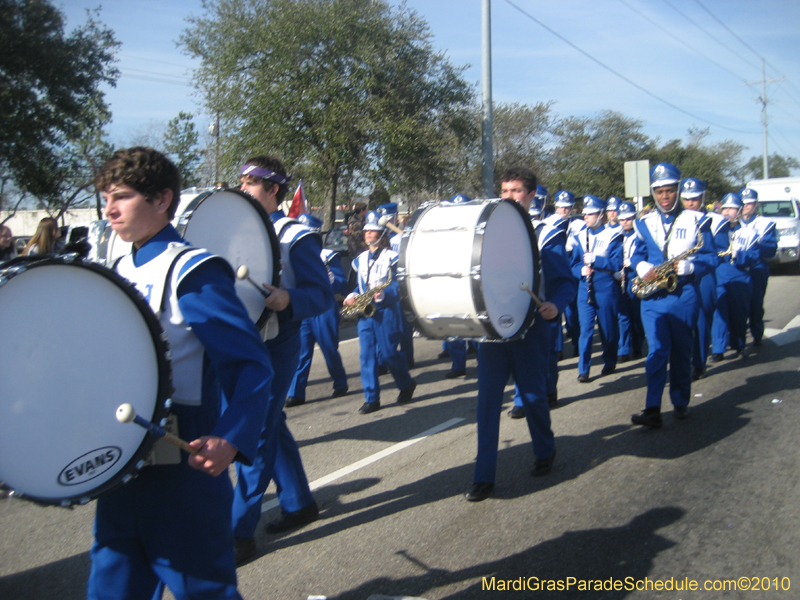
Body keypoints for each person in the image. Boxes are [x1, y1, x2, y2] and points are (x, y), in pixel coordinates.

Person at [90, 147, 274, 600]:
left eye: (122, 196)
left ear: (161, 199)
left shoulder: (191, 270)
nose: (110, 209)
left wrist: (230, 437)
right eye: (106, 198)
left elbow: (249, 364)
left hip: (182, 460)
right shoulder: (116, 270)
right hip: (121, 463)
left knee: (204, 592)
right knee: (111, 588)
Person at [232, 156, 333, 564]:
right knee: (271, 422)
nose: (243, 189)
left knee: (254, 433)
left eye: (252, 183)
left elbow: (322, 294)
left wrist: (290, 298)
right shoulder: (234, 230)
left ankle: (238, 532)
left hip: (277, 341)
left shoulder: (296, 235)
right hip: (241, 342)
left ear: (274, 189)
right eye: (240, 182)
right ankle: (298, 502)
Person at [467, 167, 576, 502]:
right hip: (493, 334)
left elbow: (565, 282)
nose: (509, 197)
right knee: (487, 405)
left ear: (531, 196)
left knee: (533, 396)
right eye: (504, 191)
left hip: (529, 331)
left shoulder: (546, 235)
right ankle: (483, 476)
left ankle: (545, 451)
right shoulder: (484, 234)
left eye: (516, 191)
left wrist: (555, 306)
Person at [629, 163, 716, 429]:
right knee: (656, 352)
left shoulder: (697, 219)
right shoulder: (643, 221)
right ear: (653, 193)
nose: (665, 197)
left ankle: (680, 401)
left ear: (678, 190)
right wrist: (641, 266)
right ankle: (652, 408)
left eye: (669, 191)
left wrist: (693, 267)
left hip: (684, 295)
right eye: (659, 192)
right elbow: (636, 253)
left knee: (681, 351)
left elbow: (712, 257)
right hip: (654, 297)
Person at [344, 211, 417, 414]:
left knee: (389, 353)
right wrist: (351, 296)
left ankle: (406, 384)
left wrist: (385, 292)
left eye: (373, 231)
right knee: (367, 355)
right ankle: (372, 398)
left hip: (386, 310)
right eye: (367, 230)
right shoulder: (359, 260)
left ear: (382, 234)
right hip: (365, 312)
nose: (368, 234)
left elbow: (400, 286)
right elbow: (354, 286)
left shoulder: (392, 258)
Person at [509, 190, 567, 418]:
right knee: (518, 349)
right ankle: (520, 399)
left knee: (549, 352)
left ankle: (550, 388)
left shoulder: (548, 232)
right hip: (518, 300)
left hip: (543, 299)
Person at [285, 213, 349, 406]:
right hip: (304, 307)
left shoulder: (328, 255)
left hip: (324, 307)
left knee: (329, 348)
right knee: (302, 351)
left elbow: (340, 281)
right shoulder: (294, 253)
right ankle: (296, 392)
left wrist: (324, 282)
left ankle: (340, 382)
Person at [679, 178, 730, 379]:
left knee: (701, 320)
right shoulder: (678, 219)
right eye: (686, 199)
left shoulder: (716, 221)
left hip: (705, 275)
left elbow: (721, 252)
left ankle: (698, 363)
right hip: (680, 274)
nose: (690, 203)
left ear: (703, 197)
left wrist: (696, 262)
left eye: (695, 198)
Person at [570, 195, 623, 382]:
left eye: (590, 214)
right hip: (585, 287)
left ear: (601, 215)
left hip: (605, 286)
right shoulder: (579, 236)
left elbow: (617, 263)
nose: (586, 217)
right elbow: (573, 264)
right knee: (585, 329)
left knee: (608, 329)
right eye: (585, 213)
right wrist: (580, 270)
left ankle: (610, 360)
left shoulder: (613, 236)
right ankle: (583, 369)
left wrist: (597, 261)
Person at [710, 193, 759, 361]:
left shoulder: (748, 232)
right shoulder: (716, 231)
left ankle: (739, 345)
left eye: (731, 209)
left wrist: (739, 255)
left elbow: (754, 257)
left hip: (740, 277)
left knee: (739, 314)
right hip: (720, 276)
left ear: (739, 211)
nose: (726, 212)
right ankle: (718, 349)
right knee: (719, 313)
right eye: (724, 208)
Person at [544, 190, 582, 357]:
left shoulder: (578, 225)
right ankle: (557, 349)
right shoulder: (548, 223)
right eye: (560, 207)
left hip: (573, 265)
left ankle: (576, 343)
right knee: (556, 310)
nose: (563, 210)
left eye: (567, 207)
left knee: (574, 311)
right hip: (557, 264)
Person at [739, 187, 777, 347]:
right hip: (737, 268)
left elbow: (771, 249)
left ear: (756, 204)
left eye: (750, 203)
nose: (746, 206)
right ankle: (737, 340)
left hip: (757, 268)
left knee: (755, 304)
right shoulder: (732, 222)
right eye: (744, 203)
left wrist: (754, 248)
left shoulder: (765, 224)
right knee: (737, 305)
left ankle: (757, 334)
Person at [616, 201, 644, 363]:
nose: (625, 222)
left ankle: (638, 344)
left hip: (635, 277)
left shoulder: (639, 235)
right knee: (623, 316)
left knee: (636, 315)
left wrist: (631, 264)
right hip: (619, 278)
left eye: (628, 218)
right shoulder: (616, 235)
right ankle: (624, 349)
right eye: (622, 219)